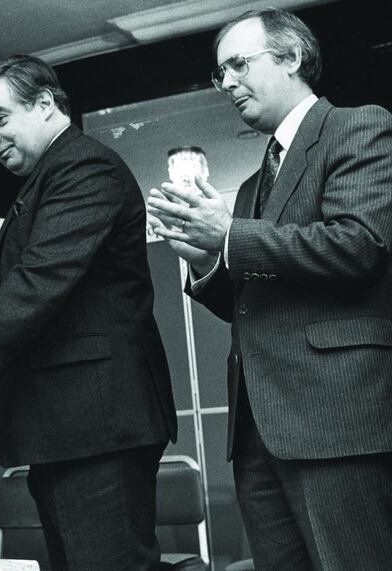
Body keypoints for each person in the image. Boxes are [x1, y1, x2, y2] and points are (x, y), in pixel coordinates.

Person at [0, 55, 177, 570]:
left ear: (45, 104)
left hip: (97, 429)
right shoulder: (52, 175)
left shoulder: (84, 167)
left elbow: (38, 283)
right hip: (72, 431)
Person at [147, 8, 392, 569]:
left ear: (292, 57)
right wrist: (206, 261)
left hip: (337, 423)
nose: (227, 82)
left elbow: (358, 246)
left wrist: (229, 235)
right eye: (220, 73)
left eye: (238, 64)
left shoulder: (359, 127)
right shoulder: (251, 185)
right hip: (258, 434)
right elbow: (252, 306)